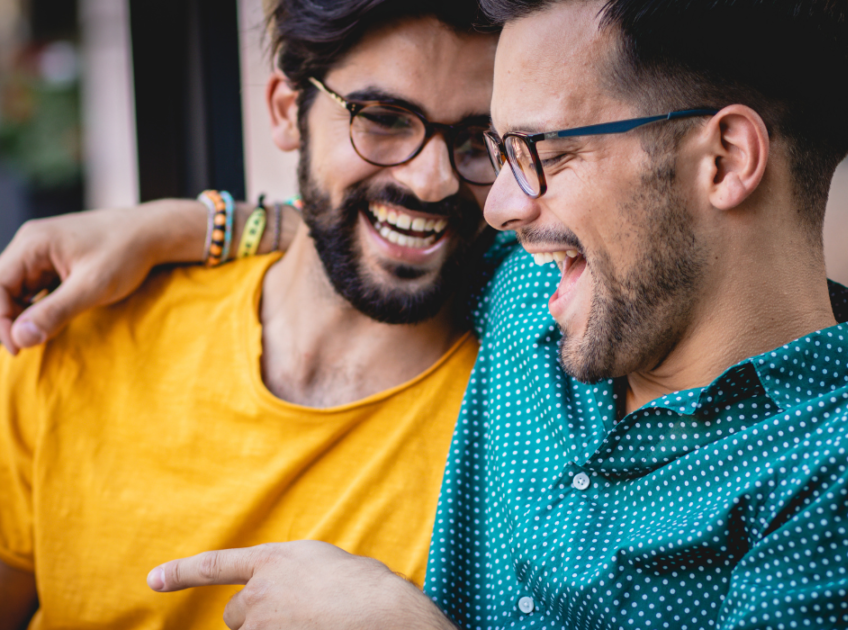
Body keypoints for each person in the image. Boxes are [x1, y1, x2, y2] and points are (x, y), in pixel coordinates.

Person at [1, 0, 848, 629]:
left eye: (534, 150)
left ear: (726, 157)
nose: (495, 203)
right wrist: (194, 223)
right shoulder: (531, 299)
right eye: (497, 152)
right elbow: (378, 224)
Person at [0, 0, 501, 627]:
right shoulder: (83, 331)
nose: (433, 182)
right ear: (288, 111)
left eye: (478, 139)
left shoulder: (532, 418)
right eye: (383, 119)